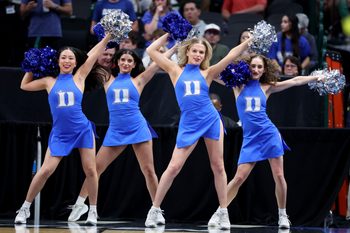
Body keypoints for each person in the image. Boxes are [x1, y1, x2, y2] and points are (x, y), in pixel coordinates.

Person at [144, 32, 252, 230]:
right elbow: (151, 50)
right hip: (189, 123)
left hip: (211, 120)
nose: (198, 55)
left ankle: (223, 211)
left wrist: (249, 41)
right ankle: (155, 209)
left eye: (201, 52)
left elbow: (230, 56)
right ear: (188, 51)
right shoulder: (175, 69)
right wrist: (171, 33)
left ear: (205, 55)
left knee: (218, 167)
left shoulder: (208, 72)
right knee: (174, 167)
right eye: (195, 51)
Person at [208, 54, 324, 229]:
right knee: (239, 177)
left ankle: (283, 215)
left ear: (264, 69)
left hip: (269, 134)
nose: (256, 70)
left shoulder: (267, 87)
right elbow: (213, 74)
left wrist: (316, 77)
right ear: (247, 67)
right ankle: (220, 211)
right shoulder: (237, 85)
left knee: (278, 175)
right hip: (250, 138)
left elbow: (295, 81)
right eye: (253, 66)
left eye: (259, 67)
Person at [67, 46, 177, 223]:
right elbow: (89, 59)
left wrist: (175, 46)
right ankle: (81, 204)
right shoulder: (107, 79)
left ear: (134, 65)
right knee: (95, 169)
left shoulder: (139, 80)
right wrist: (106, 38)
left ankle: (156, 210)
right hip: (116, 131)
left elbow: (157, 63)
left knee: (149, 170)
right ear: (117, 62)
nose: (126, 63)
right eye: (123, 60)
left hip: (138, 128)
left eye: (129, 61)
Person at [14, 33, 112, 225]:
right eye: (64, 57)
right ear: (58, 61)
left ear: (76, 63)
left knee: (91, 171)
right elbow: (24, 85)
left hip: (82, 130)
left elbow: (92, 54)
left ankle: (92, 211)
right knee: (44, 171)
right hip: (60, 133)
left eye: (71, 58)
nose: (67, 61)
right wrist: (32, 65)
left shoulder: (80, 76)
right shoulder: (49, 81)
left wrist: (107, 37)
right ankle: (24, 208)